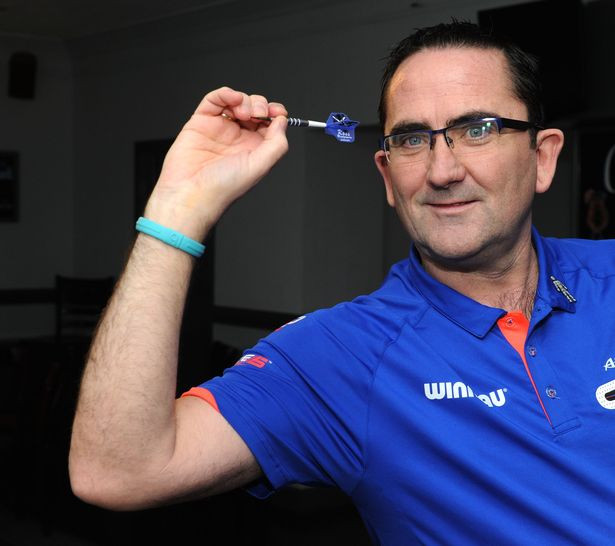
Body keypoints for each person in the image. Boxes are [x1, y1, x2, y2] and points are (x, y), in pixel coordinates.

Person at [69, 21, 615, 544]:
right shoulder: (343, 355)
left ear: (542, 157)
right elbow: (116, 470)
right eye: (412, 139)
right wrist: (176, 211)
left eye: (477, 130)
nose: (442, 171)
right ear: (387, 176)